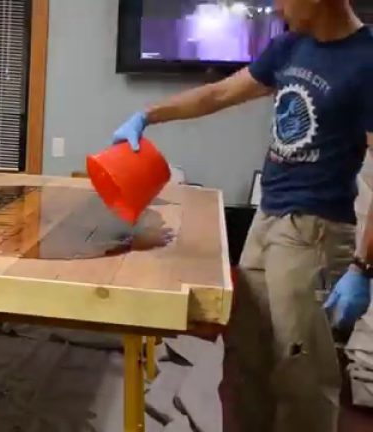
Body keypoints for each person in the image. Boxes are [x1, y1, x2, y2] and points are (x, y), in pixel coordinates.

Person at [111, 1, 372, 431]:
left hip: (316, 233)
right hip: (266, 220)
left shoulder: (366, 61)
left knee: (302, 373)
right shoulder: (291, 46)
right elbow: (218, 94)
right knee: (246, 356)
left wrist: (363, 267)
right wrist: (147, 116)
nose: (278, 6)